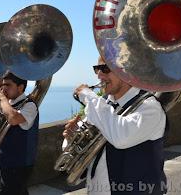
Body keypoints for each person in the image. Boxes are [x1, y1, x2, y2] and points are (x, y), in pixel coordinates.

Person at [64, 57, 167, 195]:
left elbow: (120, 137)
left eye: (105, 68)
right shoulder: (103, 105)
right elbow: (79, 148)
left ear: (127, 71)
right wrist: (72, 137)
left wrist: (87, 96)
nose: (99, 75)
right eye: (97, 69)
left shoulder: (149, 108)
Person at [0, 72, 38, 195]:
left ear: (20, 87)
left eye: (8, 85)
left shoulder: (30, 106)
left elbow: (13, 118)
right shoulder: (8, 104)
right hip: (6, 160)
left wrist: (3, 99)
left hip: (19, 163)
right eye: (3, 85)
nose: (3, 88)